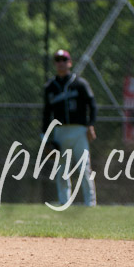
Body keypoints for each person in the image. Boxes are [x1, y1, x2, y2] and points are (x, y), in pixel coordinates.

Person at [42, 48, 97, 207]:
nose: (61, 63)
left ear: (70, 62)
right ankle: (64, 201)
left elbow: (92, 105)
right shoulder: (50, 87)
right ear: (55, 64)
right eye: (58, 60)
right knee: (62, 170)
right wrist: (44, 138)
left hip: (79, 130)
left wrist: (91, 124)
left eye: (64, 60)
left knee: (84, 168)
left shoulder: (80, 84)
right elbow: (46, 114)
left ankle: (90, 203)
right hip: (60, 131)